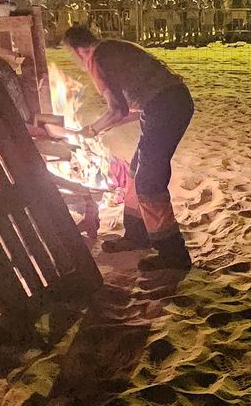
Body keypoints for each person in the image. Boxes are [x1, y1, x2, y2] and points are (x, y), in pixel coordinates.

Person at [64, 25, 196, 273]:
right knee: (136, 171)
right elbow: (130, 109)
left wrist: (92, 130)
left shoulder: (97, 58)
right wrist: (101, 127)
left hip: (166, 108)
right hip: (171, 103)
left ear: (76, 50)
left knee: (149, 182)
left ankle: (173, 254)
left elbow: (117, 110)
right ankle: (137, 235)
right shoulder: (113, 47)